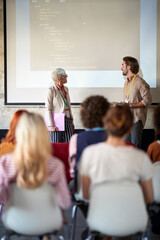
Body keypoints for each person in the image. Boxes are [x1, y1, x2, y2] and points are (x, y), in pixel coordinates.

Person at [79, 104, 154, 204]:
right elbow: (149, 198)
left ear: (105, 124)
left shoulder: (89, 154)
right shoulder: (142, 157)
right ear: (129, 128)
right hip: (133, 216)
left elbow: (85, 195)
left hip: (100, 215)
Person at [0, 112, 71, 212]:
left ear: (19, 133)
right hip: (47, 220)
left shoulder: (5, 163)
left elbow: (2, 197)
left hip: (14, 220)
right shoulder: (56, 165)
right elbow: (65, 203)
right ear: (44, 133)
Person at [69, 95, 110, 187]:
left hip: (85, 189)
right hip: (109, 188)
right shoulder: (115, 139)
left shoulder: (75, 139)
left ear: (84, 116)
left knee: (71, 185)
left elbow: (73, 172)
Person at [121, 56, 152, 148]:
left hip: (136, 120)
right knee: (126, 147)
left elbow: (148, 100)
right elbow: (129, 100)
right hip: (126, 120)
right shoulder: (126, 83)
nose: (121, 68)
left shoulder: (140, 82)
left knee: (135, 148)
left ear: (129, 67)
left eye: (123, 65)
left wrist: (130, 105)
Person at [45, 68, 74, 143]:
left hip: (68, 119)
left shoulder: (66, 89)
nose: (67, 77)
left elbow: (68, 106)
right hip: (56, 120)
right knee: (56, 143)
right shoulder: (51, 90)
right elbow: (48, 108)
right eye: (65, 76)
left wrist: (72, 121)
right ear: (60, 78)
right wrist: (51, 125)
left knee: (69, 143)